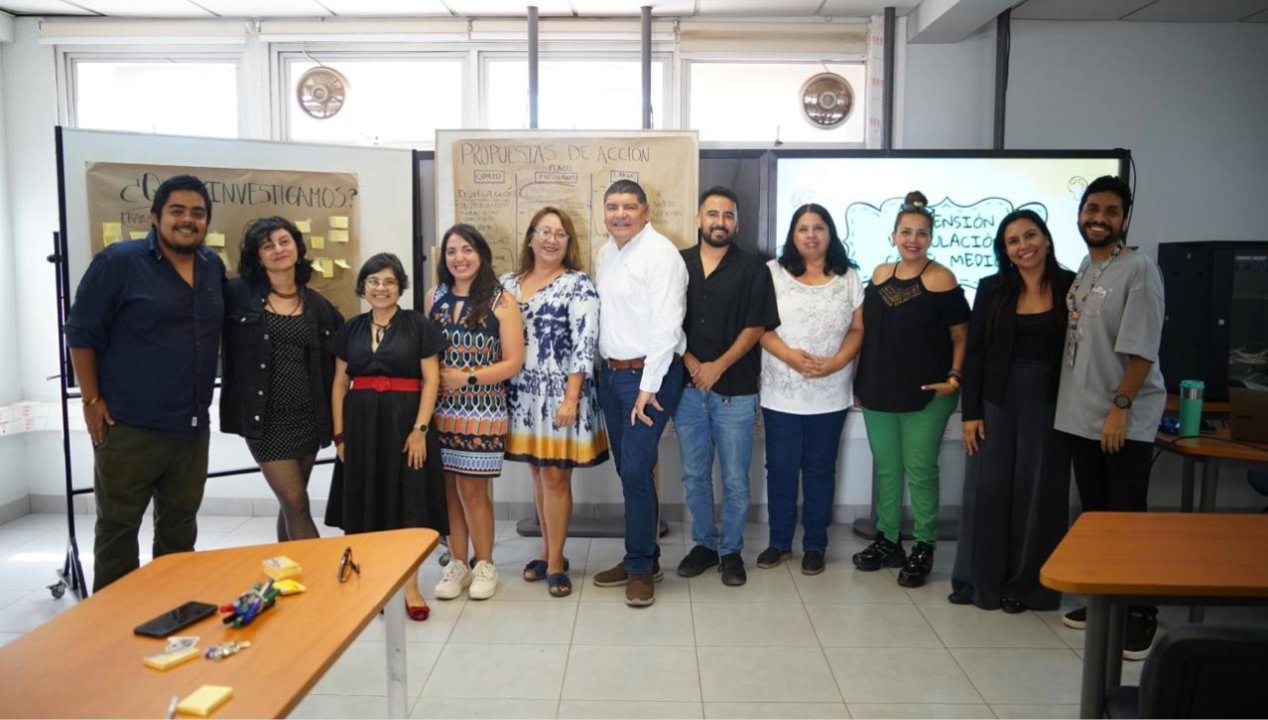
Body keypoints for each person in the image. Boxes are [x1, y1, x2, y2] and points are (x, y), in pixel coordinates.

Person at [66, 174, 225, 592]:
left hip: (191, 429)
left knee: (179, 532)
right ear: (155, 217)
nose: (187, 219)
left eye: (197, 212)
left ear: (207, 221)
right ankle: (115, 624)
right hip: (129, 427)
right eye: (177, 210)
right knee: (118, 532)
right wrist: (91, 400)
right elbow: (81, 333)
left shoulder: (212, 267)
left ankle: (171, 613)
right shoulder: (119, 262)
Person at [1054, 175, 1166, 660]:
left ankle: (1140, 613)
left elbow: (1143, 349)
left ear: (1125, 219)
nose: (1099, 218)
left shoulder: (1140, 269)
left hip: (1121, 419)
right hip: (1082, 416)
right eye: (1092, 209)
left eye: (1111, 211)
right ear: (1081, 214)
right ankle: (1106, 603)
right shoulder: (1087, 266)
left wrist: (1120, 409)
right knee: (1096, 516)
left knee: (1126, 518)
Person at [949, 210, 1075, 613]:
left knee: (1038, 494)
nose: (1024, 246)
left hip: (1051, 402)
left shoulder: (1072, 285)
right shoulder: (992, 289)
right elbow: (975, 354)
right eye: (1013, 241)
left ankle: (1028, 587)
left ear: (1046, 239)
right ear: (1005, 251)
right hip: (996, 401)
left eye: (1030, 235)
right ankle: (978, 581)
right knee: (987, 490)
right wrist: (970, 413)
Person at [852, 191, 970, 588]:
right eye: (906, 232)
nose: (913, 240)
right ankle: (888, 541)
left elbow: (961, 336)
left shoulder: (942, 278)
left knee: (920, 469)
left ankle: (923, 546)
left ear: (931, 238)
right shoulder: (879, 274)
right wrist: (860, 379)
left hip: (928, 393)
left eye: (921, 233)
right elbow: (866, 332)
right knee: (886, 467)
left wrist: (954, 378)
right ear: (893, 236)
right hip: (878, 390)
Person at [327, 252, 448, 621]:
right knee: (366, 503)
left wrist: (420, 430)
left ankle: (410, 586)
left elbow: (431, 380)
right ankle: (375, 583)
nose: (381, 288)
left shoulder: (417, 326)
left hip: (406, 427)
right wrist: (340, 437)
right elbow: (339, 384)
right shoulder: (350, 329)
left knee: (408, 505)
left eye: (389, 282)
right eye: (374, 281)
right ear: (363, 286)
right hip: (361, 428)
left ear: (400, 287)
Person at [674, 187, 780, 587]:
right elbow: (665, 322)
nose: (720, 222)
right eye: (713, 214)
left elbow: (755, 327)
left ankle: (731, 551)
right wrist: (692, 363)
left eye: (728, 215)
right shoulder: (677, 264)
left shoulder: (754, 269)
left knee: (735, 478)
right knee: (693, 475)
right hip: (686, 389)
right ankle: (704, 545)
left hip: (736, 388)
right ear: (698, 219)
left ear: (737, 223)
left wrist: (716, 367)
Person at [502, 207, 608, 598]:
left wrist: (571, 398)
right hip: (521, 395)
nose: (551, 239)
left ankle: (556, 563)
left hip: (562, 395)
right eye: (544, 231)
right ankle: (548, 552)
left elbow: (585, 344)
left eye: (560, 234)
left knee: (556, 478)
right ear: (530, 237)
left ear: (569, 242)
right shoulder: (507, 284)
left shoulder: (578, 284)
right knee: (537, 473)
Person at [592, 179, 688, 607]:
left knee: (635, 469)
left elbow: (666, 327)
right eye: (612, 206)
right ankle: (643, 556)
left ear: (646, 212)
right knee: (628, 470)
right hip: (613, 375)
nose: (620, 214)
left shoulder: (660, 254)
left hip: (651, 375)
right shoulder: (606, 253)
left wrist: (648, 387)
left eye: (629, 206)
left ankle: (641, 566)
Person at [755, 203, 863, 575]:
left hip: (830, 392)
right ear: (793, 235)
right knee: (780, 469)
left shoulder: (848, 277)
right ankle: (779, 542)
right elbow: (758, 327)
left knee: (820, 470)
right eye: (803, 228)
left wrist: (836, 362)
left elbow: (858, 329)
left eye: (819, 227)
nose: (811, 235)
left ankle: (815, 544)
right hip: (781, 392)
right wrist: (789, 356)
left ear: (830, 233)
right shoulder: (771, 273)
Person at [221, 217, 343, 542]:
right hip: (265, 421)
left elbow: (346, 348)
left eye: (284, 241)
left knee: (291, 504)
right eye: (267, 245)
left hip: (308, 418)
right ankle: (320, 572)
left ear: (297, 247)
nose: (278, 249)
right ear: (257, 256)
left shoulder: (316, 303)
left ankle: (285, 566)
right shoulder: (237, 295)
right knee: (297, 503)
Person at [429, 225, 525, 602]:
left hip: (482, 410)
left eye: (467, 250)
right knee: (447, 491)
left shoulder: (502, 301)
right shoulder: (434, 296)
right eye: (452, 251)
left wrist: (466, 377)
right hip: (439, 410)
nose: (460, 258)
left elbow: (513, 362)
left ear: (481, 254)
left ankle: (485, 564)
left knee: (472, 490)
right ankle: (458, 564)